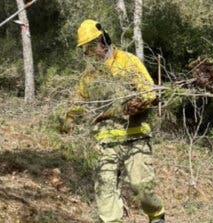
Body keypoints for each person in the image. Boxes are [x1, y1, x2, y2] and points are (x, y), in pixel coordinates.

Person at [69, 19, 165, 223]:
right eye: (84, 49)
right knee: (105, 193)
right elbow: (78, 102)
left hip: (135, 137)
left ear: (103, 41)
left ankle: (157, 217)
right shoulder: (89, 75)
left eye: (90, 47)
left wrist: (129, 105)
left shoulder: (127, 61)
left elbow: (149, 92)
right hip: (105, 143)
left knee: (142, 188)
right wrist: (68, 118)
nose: (87, 53)